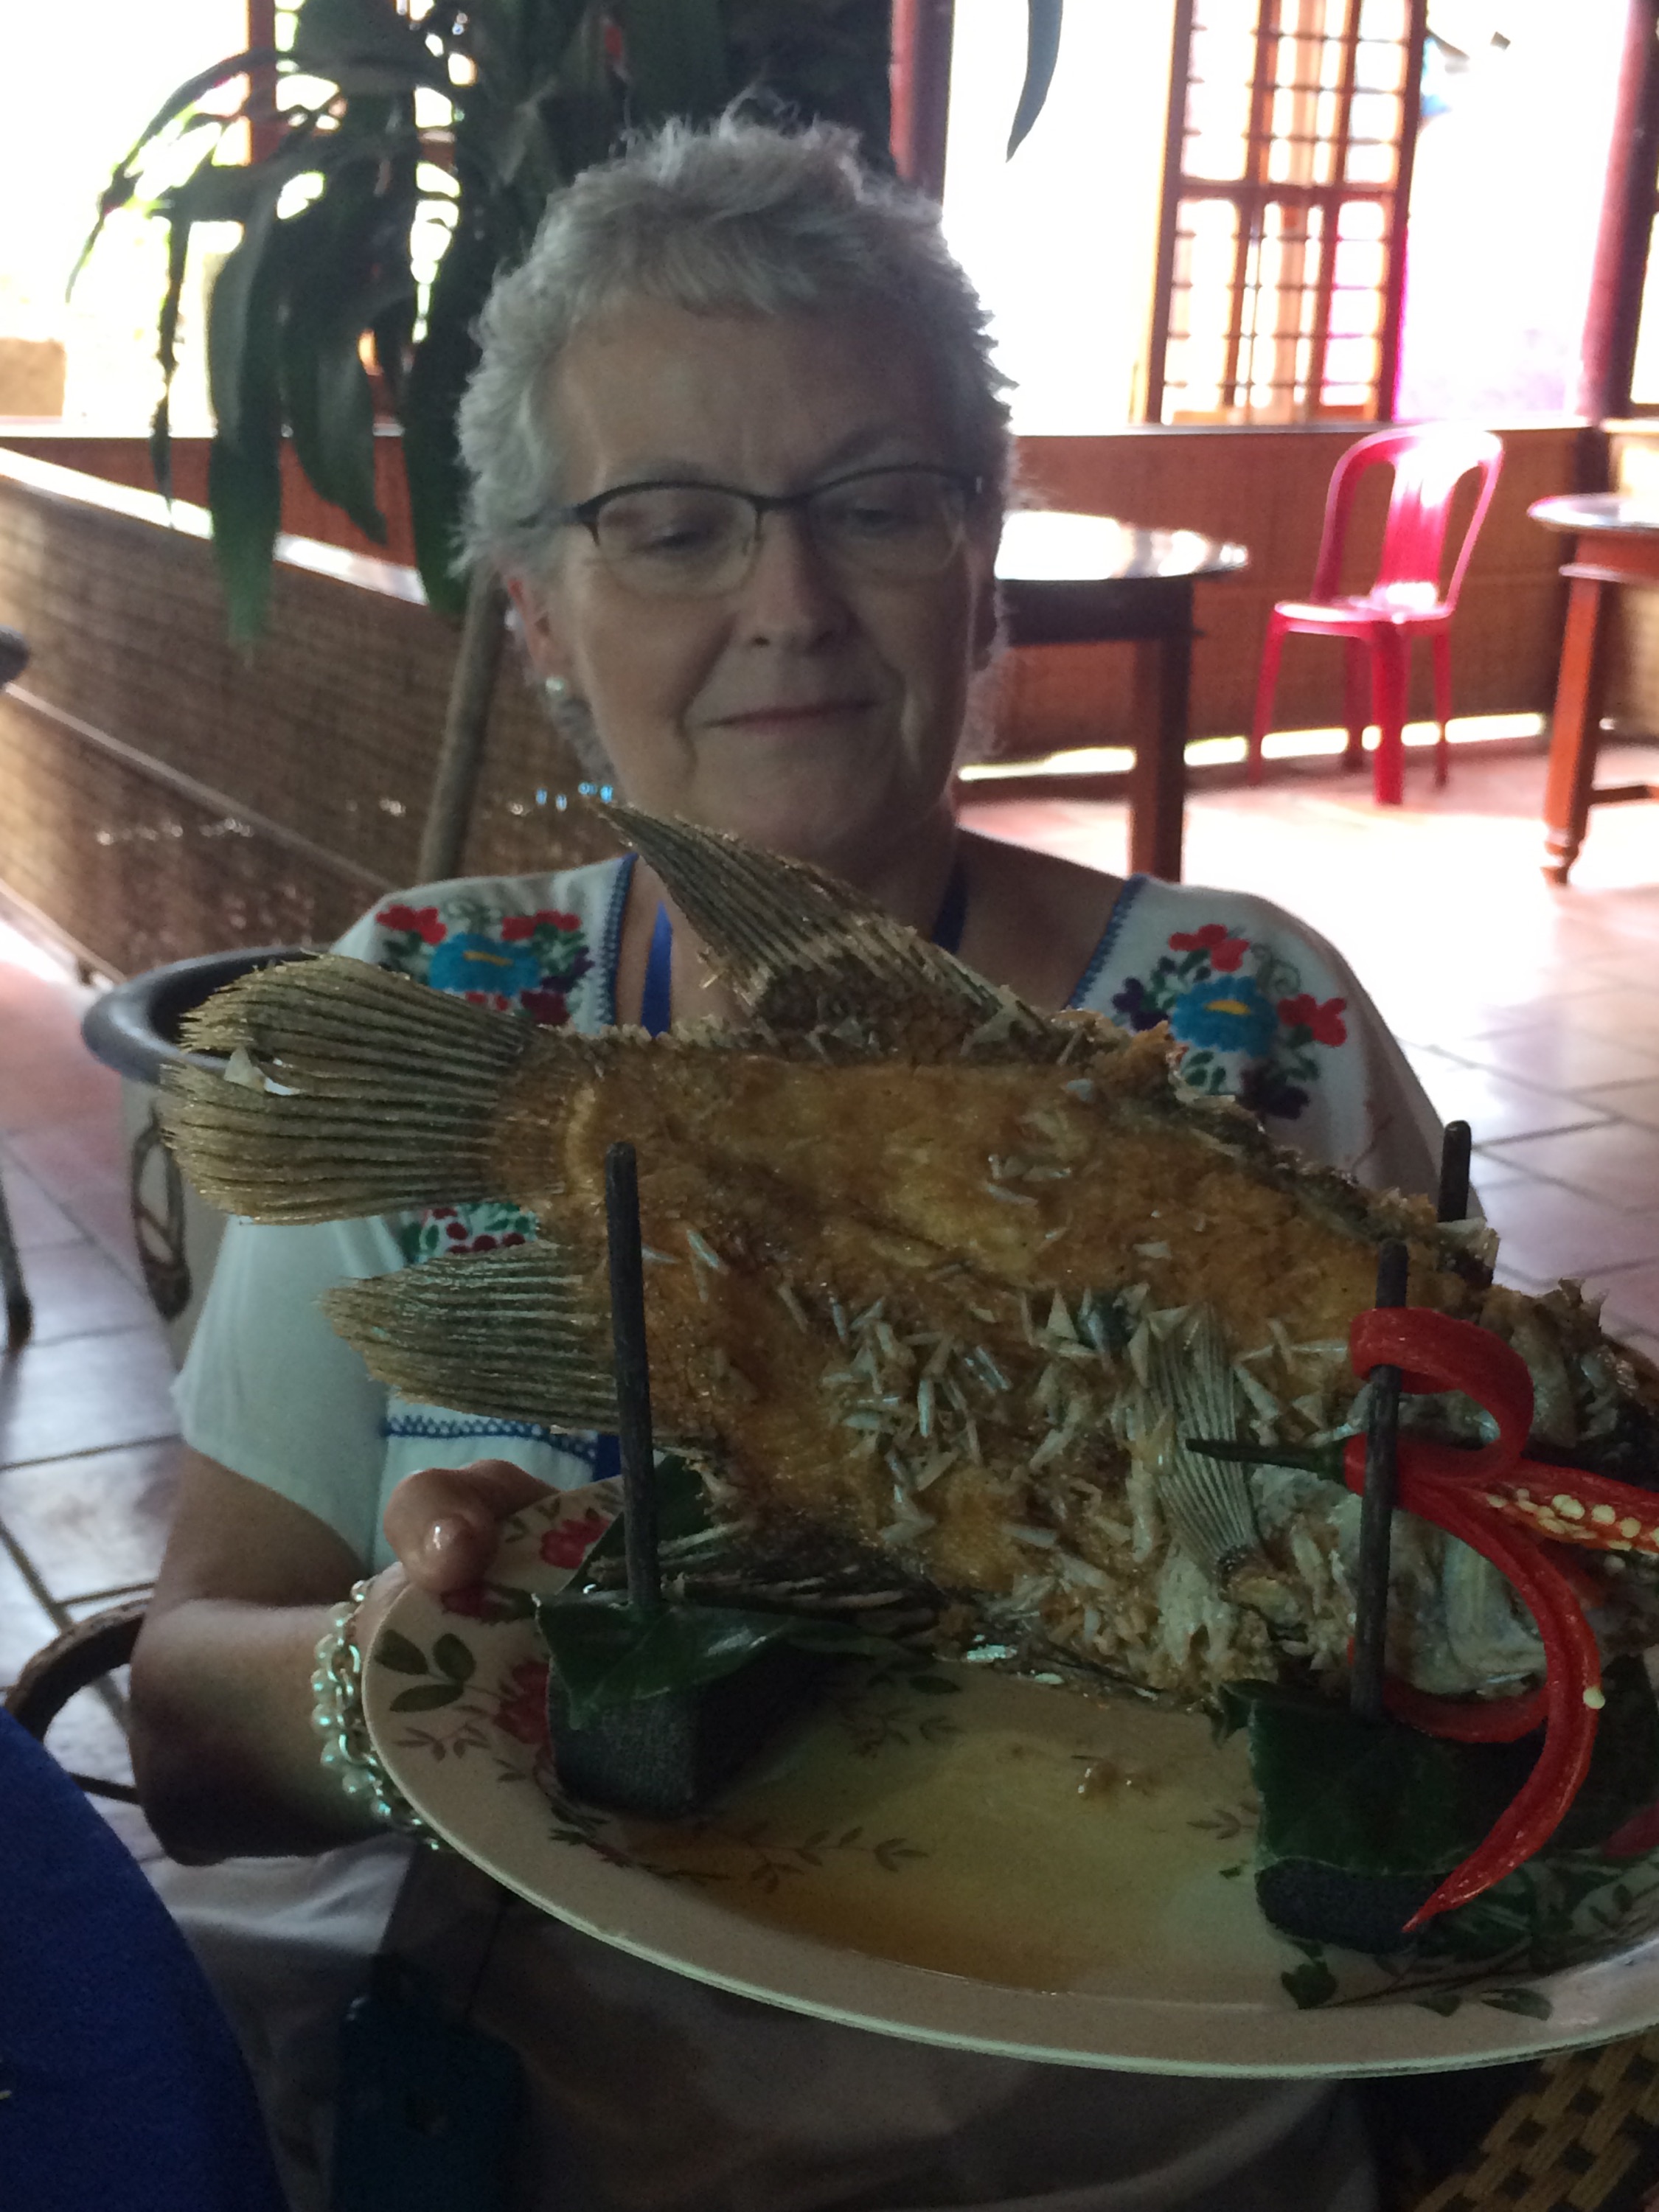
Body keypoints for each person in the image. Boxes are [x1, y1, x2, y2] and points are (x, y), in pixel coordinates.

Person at [133, 117, 1439, 2212]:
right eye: (669, 528)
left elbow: (1467, 1598)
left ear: (982, 559)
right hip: (573, 2152)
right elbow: (192, 1737)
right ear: (537, 610)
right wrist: (418, 1668)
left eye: (879, 504)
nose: (794, 606)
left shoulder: (1256, 1017)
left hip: (1198, 2159)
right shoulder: (436, 1013)